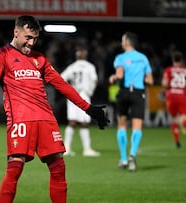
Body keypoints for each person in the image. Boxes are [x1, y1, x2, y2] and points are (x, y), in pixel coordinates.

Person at [0, 15, 109, 203]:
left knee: (59, 169)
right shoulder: (2, 54)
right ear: (16, 32)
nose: (31, 43)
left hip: (46, 119)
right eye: (28, 37)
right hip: (21, 120)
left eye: (35, 39)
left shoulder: (39, 59)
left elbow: (61, 84)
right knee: (15, 169)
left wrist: (88, 108)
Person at [109, 32, 154, 172]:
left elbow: (120, 75)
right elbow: (150, 81)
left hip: (124, 92)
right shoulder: (143, 58)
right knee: (137, 126)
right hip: (138, 93)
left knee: (122, 125)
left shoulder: (120, 58)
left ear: (127, 42)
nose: (121, 42)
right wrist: (140, 78)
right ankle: (132, 155)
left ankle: (123, 159)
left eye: (122, 40)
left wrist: (113, 78)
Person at [60, 48, 100, 157]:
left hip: (73, 94)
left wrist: (68, 89)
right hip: (84, 95)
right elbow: (95, 79)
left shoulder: (72, 67)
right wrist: (90, 91)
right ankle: (87, 149)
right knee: (84, 122)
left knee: (72, 121)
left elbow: (61, 79)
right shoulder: (89, 66)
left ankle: (67, 148)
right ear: (85, 56)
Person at [161, 51, 186, 149]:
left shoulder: (168, 70)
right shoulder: (185, 70)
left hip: (171, 96)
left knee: (174, 119)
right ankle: (183, 126)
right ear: (182, 60)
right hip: (182, 96)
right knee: (183, 118)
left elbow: (165, 84)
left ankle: (177, 141)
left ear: (173, 60)